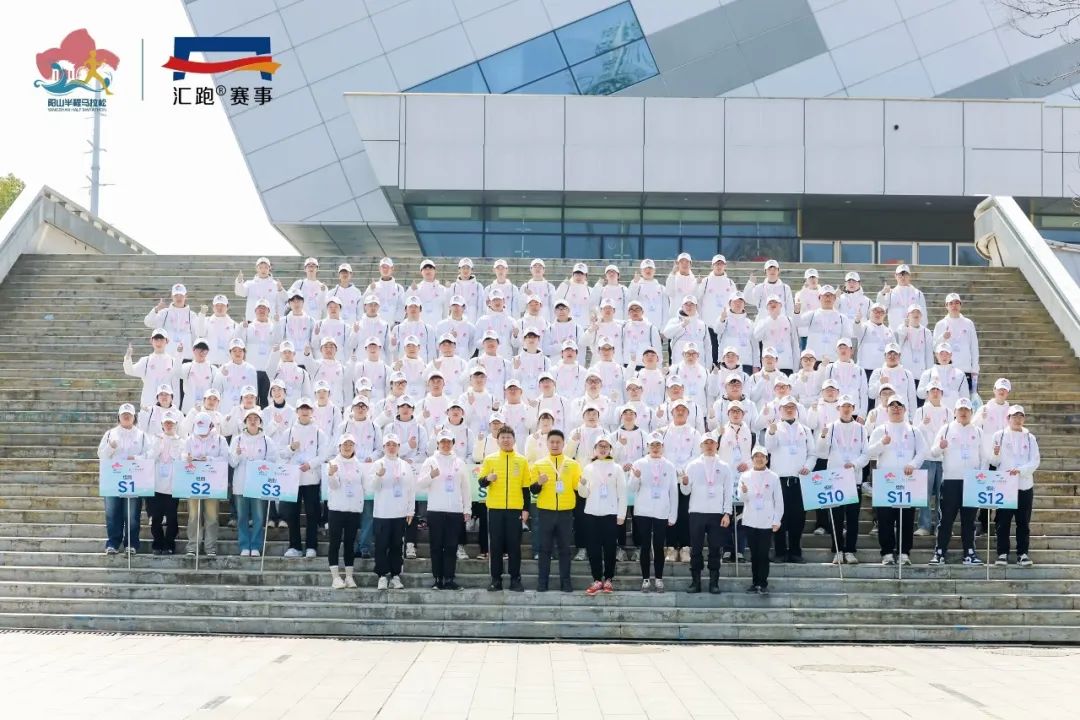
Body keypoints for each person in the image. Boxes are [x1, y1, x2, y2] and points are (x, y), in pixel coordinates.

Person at [868, 397, 927, 566]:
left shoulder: (914, 430)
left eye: (899, 405)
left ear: (905, 409)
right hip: (886, 480)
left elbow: (922, 451)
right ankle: (887, 552)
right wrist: (882, 443)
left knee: (906, 518)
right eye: (892, 406)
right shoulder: (880, 430)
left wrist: (913, 464)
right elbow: (869, 452)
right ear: (886, 410)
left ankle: (904, 552)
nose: (896, 408)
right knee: (885, 518)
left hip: (907, 480)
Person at [928, 398, 986, 566]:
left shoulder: (978, 431)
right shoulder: (946, 429)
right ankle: (939, 553)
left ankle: (969, 553)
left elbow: (984, 457)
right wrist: (940, 446)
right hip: (950, 481)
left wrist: (980, 476)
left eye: (966, 410)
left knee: (969, 520)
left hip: (971, 482)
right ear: (954, 412)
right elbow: (933, 452)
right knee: (946, 519)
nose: (963, 412)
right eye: (960, 409)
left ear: (971, 413)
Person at [816, 396, 869, 564]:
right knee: (836, 517)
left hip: (854, 478)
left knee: (852, 517)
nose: (846, 409)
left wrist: (855, 464)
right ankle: (837, 550)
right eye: (843, 406)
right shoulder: (830, 427)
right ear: (838, 408)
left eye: (849, 406)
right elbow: (821, 452)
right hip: (835, 478)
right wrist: (822, 436)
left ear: (853, 408)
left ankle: (850, 550)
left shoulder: (861, 429)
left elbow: (866, 454)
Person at [478, 426, 531, 591]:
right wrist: (488, 478)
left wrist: (526, 509)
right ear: (498, 440)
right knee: (496, 546)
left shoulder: (522, 461)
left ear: (514, 440)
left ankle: (515, 579)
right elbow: (481, 482)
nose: (506, 440)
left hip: (515, 510)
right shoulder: (490, 459)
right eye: (503, 437)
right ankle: (496, 580)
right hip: (495, 509)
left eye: (509, 437)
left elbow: (526, 488)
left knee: (514, 546)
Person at [764, 398, 815, 563]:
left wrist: (808, 466)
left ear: (797, 410)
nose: (789, 409)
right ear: (780, 410)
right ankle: (779, 552)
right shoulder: (774, 427)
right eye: (786, 407)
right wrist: (771, 433)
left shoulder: (805, 429)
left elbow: (812, 453)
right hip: (779, 480)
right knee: (779, 517)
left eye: (792, 407)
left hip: (800, 480)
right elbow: (769, 449)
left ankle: (795, 552)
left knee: (798, 518)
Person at [530, 429, 582, 593]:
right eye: (552, 442)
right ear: (547, 444)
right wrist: (539, 483)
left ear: (563, 443)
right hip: (545, 512)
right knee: (544, 549)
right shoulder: (539, 464)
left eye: (558, 442)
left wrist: (585, 483)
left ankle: (566, 582)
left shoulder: (573, 464)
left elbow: (578, 487)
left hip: (565, 512)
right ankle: (542, 582)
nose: (554, 445)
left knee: (564, 549)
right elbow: (533, 490)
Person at [418, 430, 471, 590]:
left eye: (448, 442)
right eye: (443, 442)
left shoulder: (460, 462)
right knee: (436, 546)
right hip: (436, 510)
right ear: (438, 444)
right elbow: (420, 484)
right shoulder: (430, 461)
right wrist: (431, 476)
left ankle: (449, 579)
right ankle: (437, 579)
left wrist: (467, 509)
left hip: (455, 510)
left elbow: (466, 487)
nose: (446, 445)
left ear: (453, 443)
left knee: (451, 546)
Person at [682, 433, 733, 594]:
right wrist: (684, 483)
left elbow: (728, 492)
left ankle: (714, 583)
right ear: (701, 446)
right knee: (696, 549)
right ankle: (695, 582)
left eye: (712, 442)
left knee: (715, 549)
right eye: (706, 443)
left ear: (717, 445)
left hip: (717, 513)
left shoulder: (724, 466)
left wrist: (727, 513)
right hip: (696, 512)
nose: (709, 445)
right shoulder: (692, 465)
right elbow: (686, 491)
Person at [97, 403, 151, 554]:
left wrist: (136, 458)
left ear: (134, 417)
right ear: (119, 417)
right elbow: (101, 455)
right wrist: (110, 447)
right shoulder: (110, 434)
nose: (126, 417)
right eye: (123, 415)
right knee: (112, 512)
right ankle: (113, 543)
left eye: (129, 415)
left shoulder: (142, 435)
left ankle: (131, 543)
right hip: (112, 479)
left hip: (134, 480)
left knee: (132, 514)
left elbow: (150, 454)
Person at [280, 398, 330, 558]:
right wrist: (291, 448)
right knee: (292, 514)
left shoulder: (319, 433)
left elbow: (323, 455)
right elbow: (281, 454)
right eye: (302, 408)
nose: (304, 411)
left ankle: (311, 546)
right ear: (297, 411)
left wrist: (310, 464)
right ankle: (294, 546)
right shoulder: (288, 432)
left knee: (312, 514)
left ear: (312, 411)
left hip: (311, 479)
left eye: (307, 408)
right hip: (293, 479)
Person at [991, 406, 1040, 567]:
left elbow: (1035, 461)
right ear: (1008, 418)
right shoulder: (999, 435)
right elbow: (994, 462)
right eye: (1014, 416)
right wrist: (995, 453)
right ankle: (1002, 553)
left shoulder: (1030, 438)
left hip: (1024, 485)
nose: (1018, 419)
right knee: (1003, 521)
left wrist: (1020, 470)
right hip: (1005, 485)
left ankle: (1022, 553)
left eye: (1020, 416)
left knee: (1023, 522)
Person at [629, 432, 678, 593]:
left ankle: (658, 578)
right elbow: (632, 488)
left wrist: (673, 514)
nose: (655, 448)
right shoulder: (639, 463)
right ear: (647, 447)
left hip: (661, 510)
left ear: (662, 447)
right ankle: (645, 579)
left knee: (658, 545)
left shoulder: (669, 466)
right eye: (652, 445)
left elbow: (673, 492)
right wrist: (636, 477)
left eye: (658, 445)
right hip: (643, 510)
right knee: (644, 545)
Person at [580, 435, 628, 595]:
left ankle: (608, 579)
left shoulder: (617, 468)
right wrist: (581, 485)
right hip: (591, 513)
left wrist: (621, 515)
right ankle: (596, 579)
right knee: (593, 548)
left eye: (606, 446)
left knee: (610, 548)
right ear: (594, 449)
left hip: (610, 513)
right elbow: (583, 494)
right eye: (599, 446)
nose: (602, 448)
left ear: (610, 449)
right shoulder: (588, 468)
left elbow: (622, 493)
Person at [368, 434, 416, 590]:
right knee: (381, 546)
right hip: (382, 513)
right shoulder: (378, 464)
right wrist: (378, 476)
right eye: (388, 444)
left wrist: (410, 510)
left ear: (399, 447)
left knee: (397, 546)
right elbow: (372, 488)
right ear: (383, 447)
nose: (391, 447)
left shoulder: (405, 465)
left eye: (394, 444)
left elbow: (411, 489)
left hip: (400, 513)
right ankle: (382, 576)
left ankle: (395, 575)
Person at [229, 408, 277, 557]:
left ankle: (255, 545)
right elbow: (232, 463)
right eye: (249, 418)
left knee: (258, 517)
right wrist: (237, 454)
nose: (253, 421)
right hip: (241, 483)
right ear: (245, 422)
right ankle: (244, 545)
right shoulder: (237, 440)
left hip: (258, 485)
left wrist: (259, 465)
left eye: (256, 418)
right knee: (242, 516)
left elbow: (272, 461)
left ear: (260, 422)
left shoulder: (267, 441)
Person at [182, 412, 229, 557]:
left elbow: (226, 458)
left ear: (211, 426)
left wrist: (208, 459)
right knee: (193, 515)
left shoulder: (220, 440)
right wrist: (187, 458)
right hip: (194, 482)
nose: (201, 433)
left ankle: (210, 547)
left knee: (212, 516)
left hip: (213, 483)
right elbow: (182, 456)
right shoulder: (189, 440)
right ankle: (193, 546)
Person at [739, 446, 783, 595]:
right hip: (750, 519)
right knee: (754, 554)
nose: (759, 459)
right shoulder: (745, 476)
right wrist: (744, 492)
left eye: (762, 456)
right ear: (752, 459)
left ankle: (763, 583)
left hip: (767, 520)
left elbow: (779, 501)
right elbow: (742, 498)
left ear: (766, 459)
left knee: (763, 554)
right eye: (756, 456)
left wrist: (777, 520)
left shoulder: (773, 477)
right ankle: (755, 582)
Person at [325, 434, 364, 589]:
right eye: (344, 444)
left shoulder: (359, 464)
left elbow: (363, 486)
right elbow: (334, 486)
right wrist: (331, 474)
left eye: (350, 444)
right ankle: (335, 577)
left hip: (353, 510)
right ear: (339, 447)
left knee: (350, 543)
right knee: (334, 542)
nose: (347, 447)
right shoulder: (333, 463)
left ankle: (349, 576)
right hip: (336, 509)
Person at [913, 381, 951, 536]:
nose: (935, 392)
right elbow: (914, 433)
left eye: (938, 390)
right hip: (926, 458)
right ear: (927, 394)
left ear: (942, 393)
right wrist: (922, 424)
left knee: (943, 495)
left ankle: (941, 526)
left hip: (943, 459)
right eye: (932, 390)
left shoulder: (948, 411)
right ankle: (924, 525)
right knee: (925, 494)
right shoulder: (920, 411)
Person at [148, 409, 184, 555]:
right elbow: (149, 457)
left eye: (171, 423)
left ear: (176, 424)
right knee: (156, 517)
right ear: (162, 424)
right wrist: (159, 445)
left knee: (172, 517)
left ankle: (169, 544)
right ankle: (157, 543)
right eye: (166, 423)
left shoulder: (181, 441)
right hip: (156, 484)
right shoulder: (155, 439)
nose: (169, 425)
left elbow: (182, 460)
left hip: (173, 486)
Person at [933, 293, 980, 396]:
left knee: (966, 401)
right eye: (951, 303)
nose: (954, 306)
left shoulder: (968, 323)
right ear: (946, 306)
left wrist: (975, 368)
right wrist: (943, 338)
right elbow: (935, 347)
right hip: (947, 369)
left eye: (957, 303)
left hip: (966, 369)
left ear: (960, 305)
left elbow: (974, 347)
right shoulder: (940, 324)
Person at [124, 329, 179, 410]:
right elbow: (130, 371)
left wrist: (175, 405)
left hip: (167, 405)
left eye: (161, 340)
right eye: (156, 339)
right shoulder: (145, 361)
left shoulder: (173, 361)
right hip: (148, 404)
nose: (158, 343)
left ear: (167, 341)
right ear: (151, 341)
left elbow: (176, 386)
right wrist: (128, 358)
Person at [143, 283, 197, 363]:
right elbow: (148, 322)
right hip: (167, 357)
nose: (178, 298)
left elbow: (196, 336)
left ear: (186, 296)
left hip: (186, 357)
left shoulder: (192, 315)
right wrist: (156, 309)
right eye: (176, 295)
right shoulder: (164, 313)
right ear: (172, 296)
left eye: (181, 295)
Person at [877, 264, 926, 329]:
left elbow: (923, 315)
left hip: (913, 331)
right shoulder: (890, 293)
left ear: (909, 276)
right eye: (900, 274)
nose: (903, 277)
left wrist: (922, 331)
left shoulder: (918, 294)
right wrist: (882, 293)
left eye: (905, 274)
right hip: (895, 331)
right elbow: (880, 308)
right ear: (895, 276)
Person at [235, 257, 282, 322]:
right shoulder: (249, 284)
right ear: (256, 268)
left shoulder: (275, 284)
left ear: (269, 268)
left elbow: (281, 302)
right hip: (252, 320)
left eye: (266, 267)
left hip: (270, 321)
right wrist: (239, 282)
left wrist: (280, 290)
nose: (263, 270)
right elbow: (240, 293)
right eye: (260, 267)